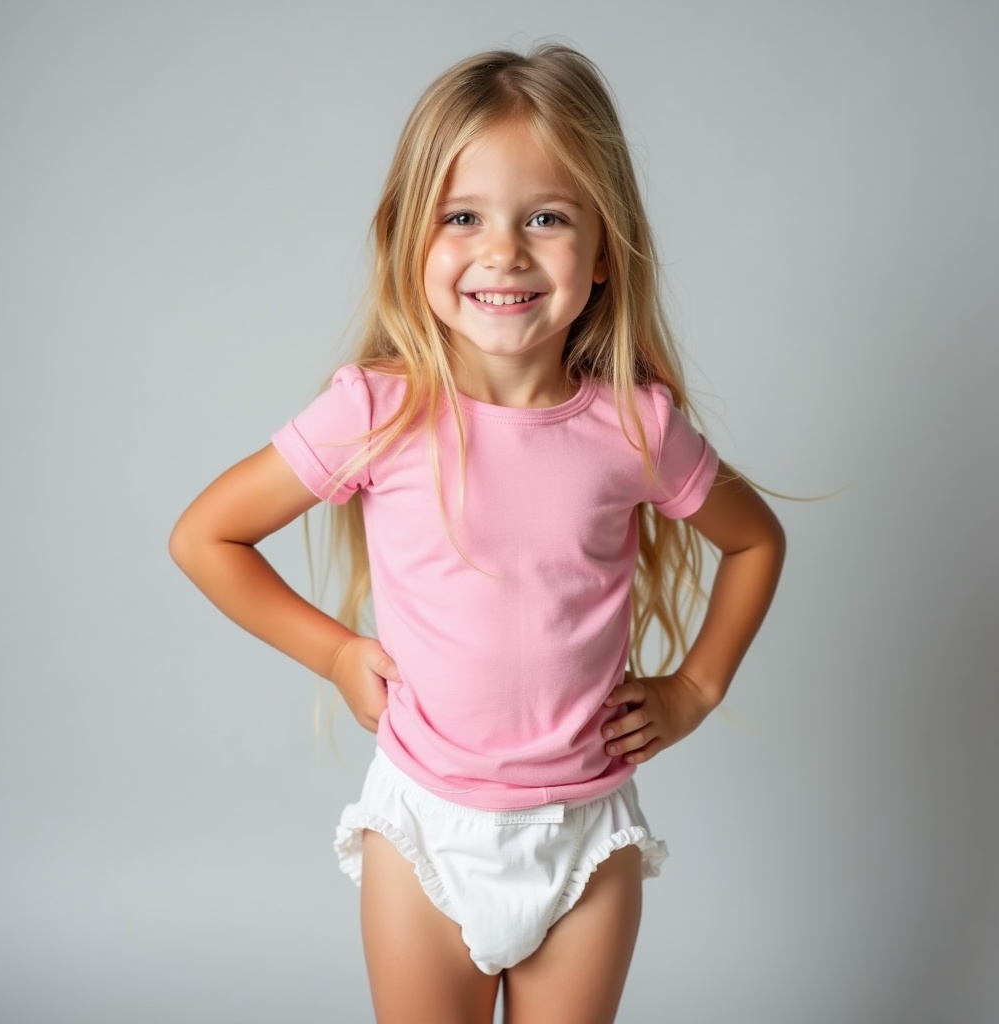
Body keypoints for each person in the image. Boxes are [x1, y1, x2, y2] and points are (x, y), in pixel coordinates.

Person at [170, 44, 785, 1024]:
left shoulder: (636, 427)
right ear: (411, 240)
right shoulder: (378, 410)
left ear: (601, 253)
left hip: (583, 836)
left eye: (545, 217)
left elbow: (754, 541)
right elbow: (206, 536)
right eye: (464, 217)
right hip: (422, 831)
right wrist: (333, 653)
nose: (503, 251)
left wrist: (697, 687)